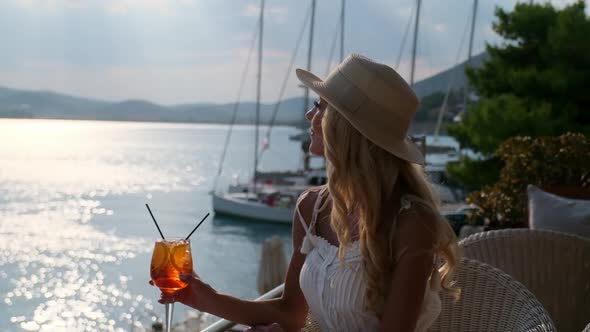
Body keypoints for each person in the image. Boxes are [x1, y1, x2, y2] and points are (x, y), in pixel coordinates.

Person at [154, 54, 460, 332]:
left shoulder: (412, 223)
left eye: (320, 106)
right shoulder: (312, 208)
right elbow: (290, 314)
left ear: (347, 127)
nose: (309, 117)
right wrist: (207, 299)